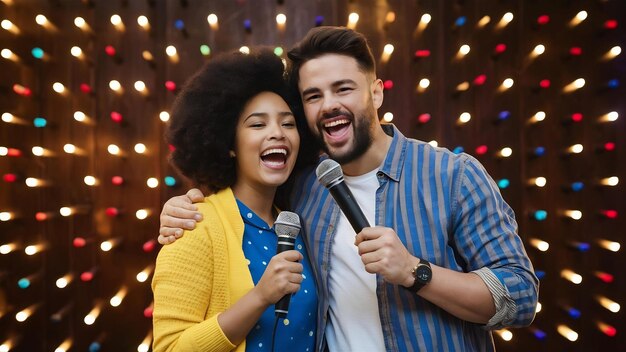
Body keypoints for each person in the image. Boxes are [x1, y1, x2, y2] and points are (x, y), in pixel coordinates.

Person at [158, 27, 539, 351]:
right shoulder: (303, 185)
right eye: (312, 96)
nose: (329, 106)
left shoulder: (453, 176)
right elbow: (240, 198)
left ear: (375, 92)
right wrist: (185, 205)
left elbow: (520, 298)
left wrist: (415, 272)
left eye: (343, 89)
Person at [151, 48, 320, 352]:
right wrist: (260, 297)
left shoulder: (297, 225)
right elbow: (169, 348)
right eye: (258, 124)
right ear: (229, 144)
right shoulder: (194, 226)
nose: (277, 133)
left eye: (288, 123)